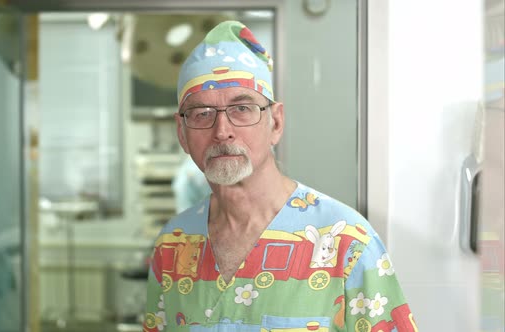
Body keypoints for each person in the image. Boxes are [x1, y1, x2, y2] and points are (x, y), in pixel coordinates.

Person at [143, 20, 417, 332]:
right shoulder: (174, 243)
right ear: (182, 133)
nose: (222, 132)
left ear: (275, 123)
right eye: (202, 114)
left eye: (242, 109)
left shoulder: (345, 242)